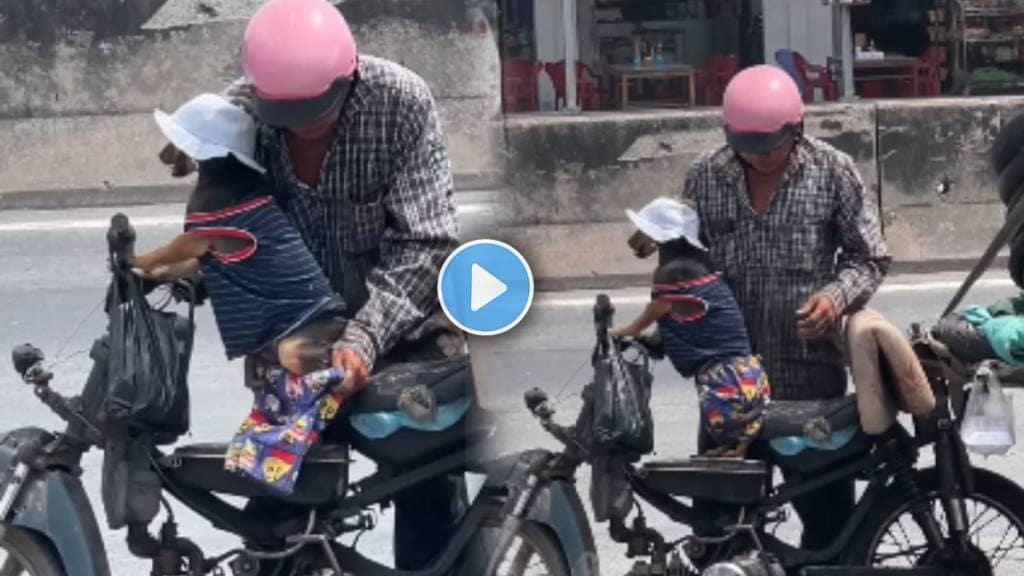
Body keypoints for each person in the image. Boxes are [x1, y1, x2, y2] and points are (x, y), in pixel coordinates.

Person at [160, 0, 468, 568]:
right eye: (287, 114)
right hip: (300, 346)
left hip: (408, 333)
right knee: (274, 509)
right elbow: (230, 229)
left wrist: (365, 336)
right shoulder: (241, 114)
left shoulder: (400, 102)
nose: (302, 125)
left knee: (426, 494)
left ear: (348, 77)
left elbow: (427, 245)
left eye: (317, 111)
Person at [679, 65, 891, 550]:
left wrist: (834, 297)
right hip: (727, 387)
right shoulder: (705, 176)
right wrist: (664, 246)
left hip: (809, 381)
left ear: (796, 130)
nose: (756, 160)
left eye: (768, 148)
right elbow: (688, 262)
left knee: (830, 529)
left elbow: (869, 257)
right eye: (744, 149)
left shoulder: (833, 171)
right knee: (718, 532)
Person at [610, 197, 770, 458]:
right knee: (736, 423)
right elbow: (685, 312)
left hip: (723, 374)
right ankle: (735, 448)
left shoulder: (673, 272)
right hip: (746, 371)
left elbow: (662, 306)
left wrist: (629, 330)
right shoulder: (701, 266)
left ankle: (735, 450)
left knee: (724, 419)